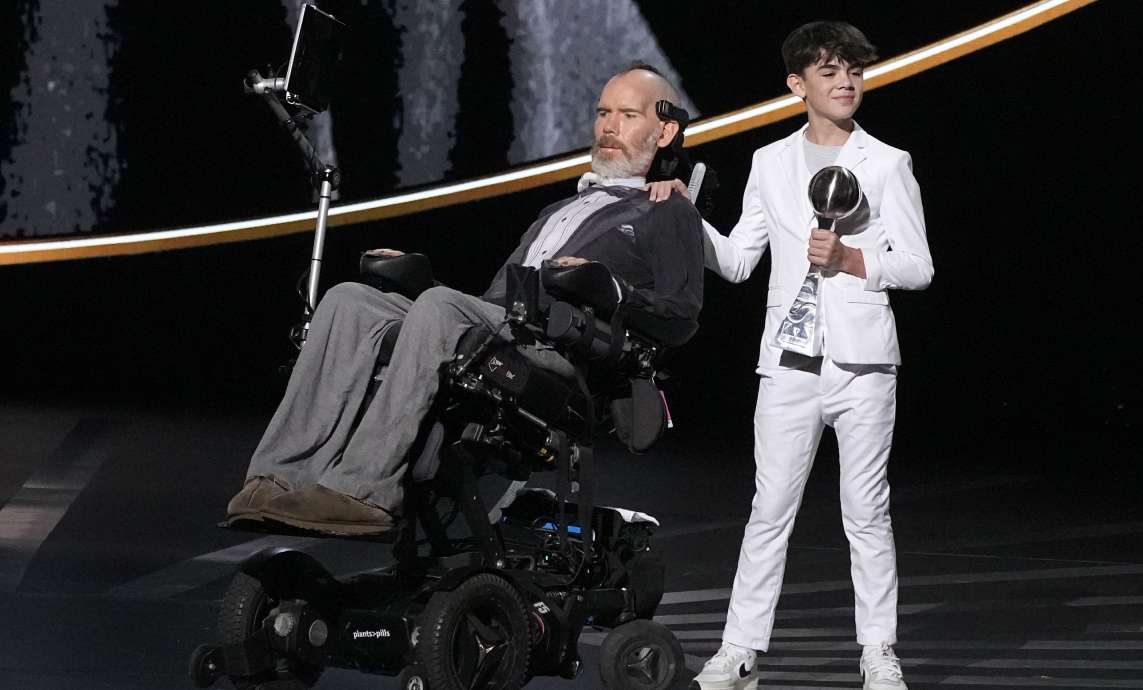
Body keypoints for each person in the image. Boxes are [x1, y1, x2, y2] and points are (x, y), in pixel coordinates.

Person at [224, 65, 704, 536]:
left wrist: (610, 289)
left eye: (627, 115)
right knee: (349, 301)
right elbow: (488, 303)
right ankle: (276, 478)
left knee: (440, 310)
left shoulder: (666, 211)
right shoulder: (558, 210)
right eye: (603, 113)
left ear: (664, 132)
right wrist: (421, 283)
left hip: (562, 352)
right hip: (502, 325)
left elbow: (680, 317)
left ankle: (363, 491)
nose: (608, 127)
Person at [649, 21, 932, 690]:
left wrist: (853, 257)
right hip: (789, 363)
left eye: (855, 69)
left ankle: (879, 654)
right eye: (830, 70)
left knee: (866, 512)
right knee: (769, 507)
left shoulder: (888, 163)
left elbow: (919, 267)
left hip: (864, 363)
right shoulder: (771, 163)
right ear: (797, 83)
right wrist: (687, 216)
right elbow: (742, 261)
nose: (846, 81)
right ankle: (739, 649)